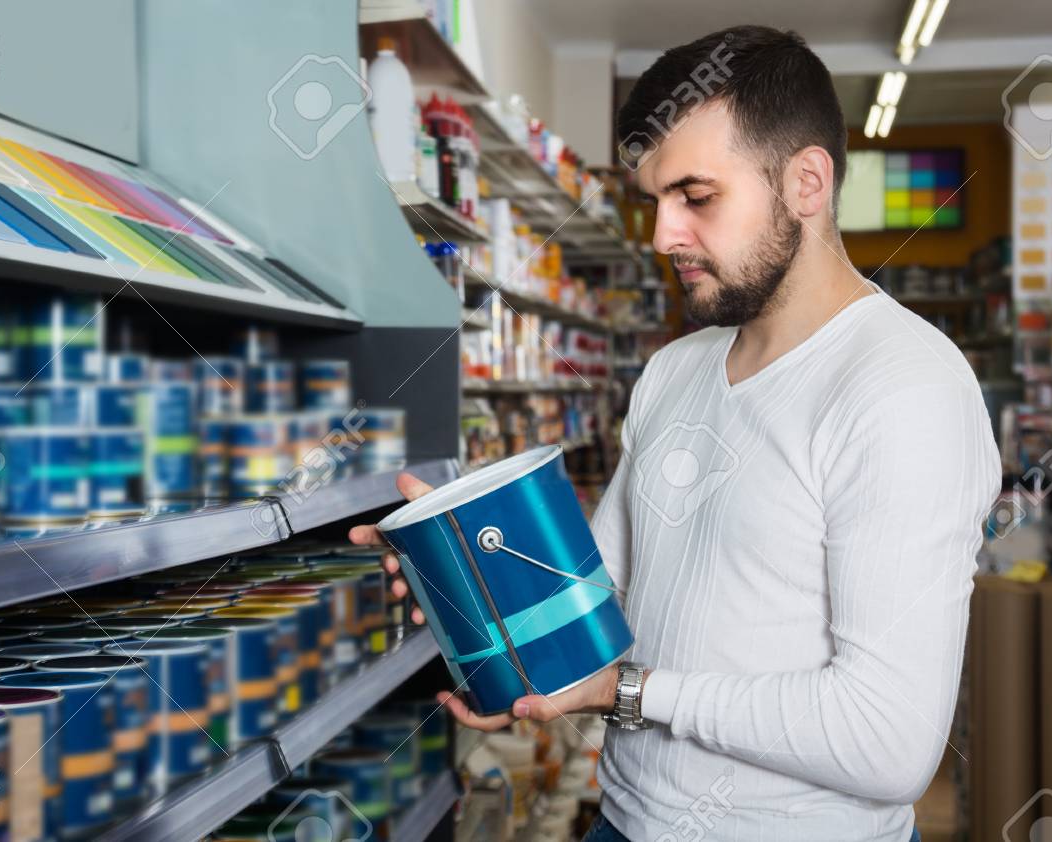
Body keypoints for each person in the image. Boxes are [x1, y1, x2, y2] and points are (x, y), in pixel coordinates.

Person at [350, 24, 999, 842]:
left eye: (696, 197)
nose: (663, 236)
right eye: (655, 200)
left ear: (806, 182)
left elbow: (888, 741)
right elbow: (603, 594)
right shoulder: (677, 369)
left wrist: (630, 693)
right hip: (623, 821)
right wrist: (463, 566)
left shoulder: (904, 389)